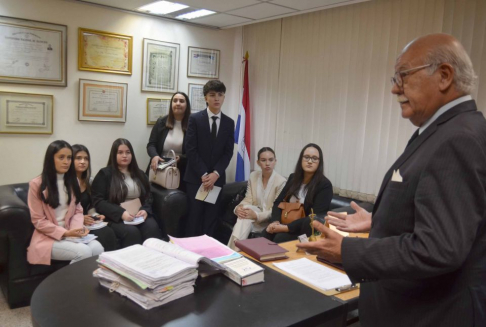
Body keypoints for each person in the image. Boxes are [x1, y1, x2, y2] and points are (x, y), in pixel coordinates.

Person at [297, 34, 486, 327]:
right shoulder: (444, 131)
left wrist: (349, 251)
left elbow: (439, 248)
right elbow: (450, 218)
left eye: (403, 76)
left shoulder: (458, 139)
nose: (394, 88)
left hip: (427, 315)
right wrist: (380, 220)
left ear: (444, 76)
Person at [27, 140, 104, 265]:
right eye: (61, 157)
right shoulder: (37, 184)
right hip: (48, 237)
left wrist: (76, 230)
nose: (66, 161)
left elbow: (78, 210)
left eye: (69, 157)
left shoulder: (74, 182)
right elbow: (38, 221)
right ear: (51, 159)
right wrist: (65, 233)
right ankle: (68, 284)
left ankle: (87, 284)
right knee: (83, 252)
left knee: (98, 249)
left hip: (71, 232)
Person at [92, 138, 167, 248]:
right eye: (120, 152)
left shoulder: (139, 173)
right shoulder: (105, 174)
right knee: (132, 232)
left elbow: (148, 196)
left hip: (138, 215)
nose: (125, 156)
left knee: (152, 227)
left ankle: (153, 261)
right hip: (116, 217)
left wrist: (145, 210)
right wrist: (121, 213)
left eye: (128, 152)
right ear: (114, 154)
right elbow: (98, 201)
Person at [184, 80, 235, 237]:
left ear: (224, 98)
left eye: (220, 95)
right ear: (206, 98)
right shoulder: (195, 119)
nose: (216, 99)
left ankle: (208, 255)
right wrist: (204, 174)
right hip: (196, 178)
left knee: (211, 220)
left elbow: (228, 152)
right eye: (212, 95)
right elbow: (190, 149)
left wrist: (215, 174)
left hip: (216, 180)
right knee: (194, 219)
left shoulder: (229, 122)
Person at [262, 143, 333, 243]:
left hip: (304, 230)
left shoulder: (324, 185)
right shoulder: (293, 178)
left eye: (314, 158)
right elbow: (278, 202)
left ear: (319, 162)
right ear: (301, 159)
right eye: (306, 157)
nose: (309, 161)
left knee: (280, 238)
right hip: (284, 223)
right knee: (264, 234)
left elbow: (314, 218)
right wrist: (276, 222)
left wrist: (286, 228)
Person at [227, 147, 286, 250]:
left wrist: (257, 215)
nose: (267, 163)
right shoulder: (253, 176)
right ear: (258, 162)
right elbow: (248, 199)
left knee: (245, 217)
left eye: (271, 160)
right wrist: (238, 208)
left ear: (275, 161)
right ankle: (235, 253)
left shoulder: (281, 182)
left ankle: (231, 253)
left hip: (268, 220)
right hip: (252, 218)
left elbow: (275, 210)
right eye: (263, 160)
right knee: (244, 214)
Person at [72, 144, 117, 251]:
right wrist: (81, 219)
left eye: (86, 158)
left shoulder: (90, 181)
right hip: (73, 223)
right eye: (78, 158)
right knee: (103, 235)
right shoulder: (65, 184)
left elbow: (91, 205)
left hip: (89, 222)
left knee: (108, 231)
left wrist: (95, 216)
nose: (83, 162)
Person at [146, 92, 191, 191]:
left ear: (187, 105)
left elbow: (195, 150)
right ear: (171, 104)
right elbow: (151, 144)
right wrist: (154, 156)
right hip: (159, 170)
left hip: (182, 171)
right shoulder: (161, 122)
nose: (178, 103)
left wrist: (181, 158)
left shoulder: (193, 125)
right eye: (175, 101)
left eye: (182, 101)